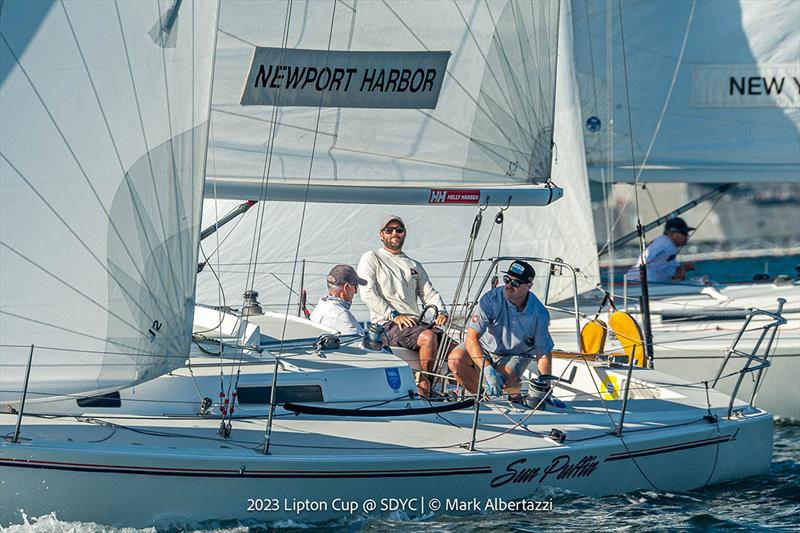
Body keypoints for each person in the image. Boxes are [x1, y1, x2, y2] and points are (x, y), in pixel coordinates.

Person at [357, 215, 450, 397]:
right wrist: (394, 314)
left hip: (415, 325)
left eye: (398, 230)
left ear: (404, 234)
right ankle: (425, 387)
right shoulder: (372, 258)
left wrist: (442, 311)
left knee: (459, 349)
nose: (394, 233)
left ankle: (486, 396)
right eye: (389, 230)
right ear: (381, 235)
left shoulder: (415, 265)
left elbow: (429, 294)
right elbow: (367, 294)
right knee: (428, 338)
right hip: (388, 325)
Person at [448, 260, 554, 398]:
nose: (509, 285)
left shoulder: (540, 313)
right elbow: (471, 338)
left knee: (504, 380)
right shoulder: (490, 300)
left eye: (515, 283)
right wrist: (487, 369)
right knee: (455, 360)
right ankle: (481, 400)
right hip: (485, 346)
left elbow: (543, 352)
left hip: (517, 353)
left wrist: (546, 389)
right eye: (507, 280)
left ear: (529, 286)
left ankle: (515, 394)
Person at [626, 217, 696, 282]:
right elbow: (676, 273)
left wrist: (681, 268)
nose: (687, 236)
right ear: (671, 233)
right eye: (684, 233)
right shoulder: (667, 245)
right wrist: (681, 270)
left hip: (634, 281)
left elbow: (657, 264)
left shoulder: (662, 242)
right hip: (643, 285)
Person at [309, 264, 366, 335]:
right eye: (355, 287)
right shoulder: (341, 315)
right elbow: (357, 343)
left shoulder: (320, 306)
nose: (355, 292)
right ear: (346, 288)